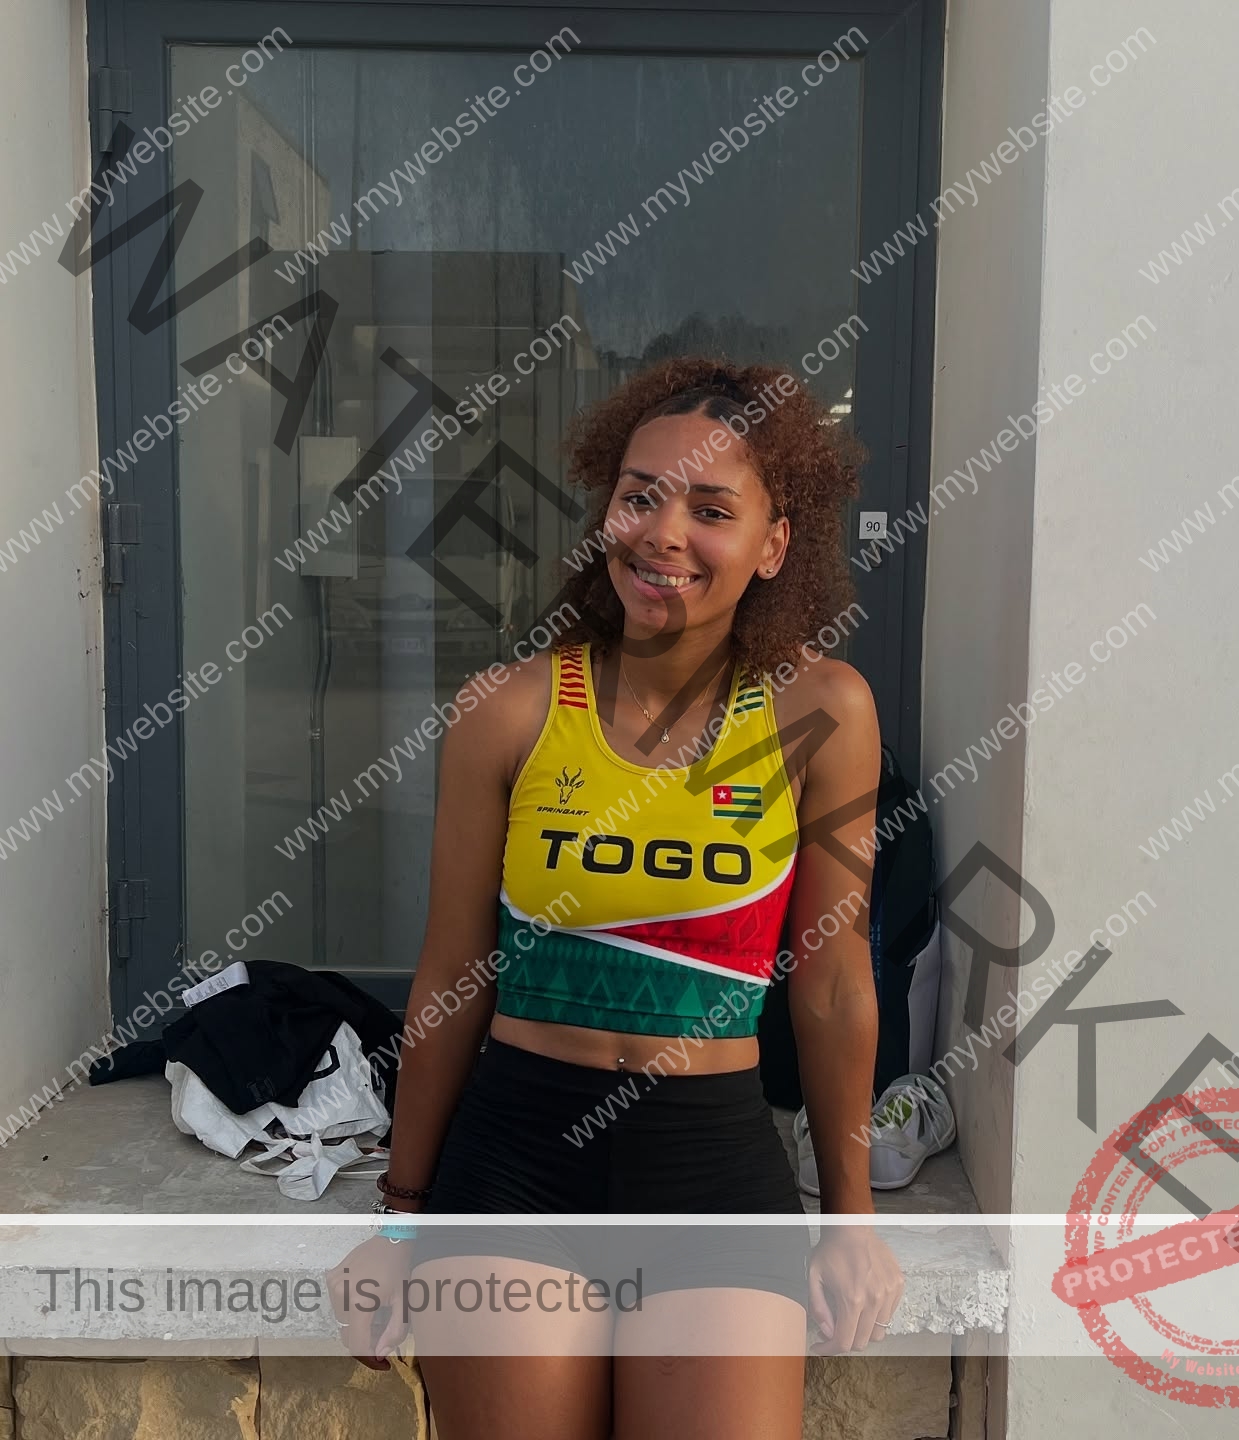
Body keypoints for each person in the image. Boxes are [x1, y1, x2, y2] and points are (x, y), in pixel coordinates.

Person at [329, 358, 902, 1439]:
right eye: (641, 496)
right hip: (514, 1165)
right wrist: (400, 1224)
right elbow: (452, 975)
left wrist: (852, 1219)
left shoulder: (821, 713)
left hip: (714, 1170)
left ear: (774, 544)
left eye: (712, 510)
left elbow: (832, 986)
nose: (663, 533)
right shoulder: (509, 709)